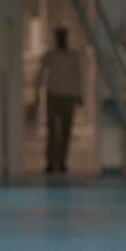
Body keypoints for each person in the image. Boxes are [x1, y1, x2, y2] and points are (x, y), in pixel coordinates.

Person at [36, 27, 84, 174]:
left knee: (65, 131)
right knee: (52, 131)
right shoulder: (50, 55)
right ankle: (51, 162)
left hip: (68, 97)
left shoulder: (74, 56)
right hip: (53, 95)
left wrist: (79, 95)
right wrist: (37, 93)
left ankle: (62, 162)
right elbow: (40, 74)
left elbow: (78, 77)